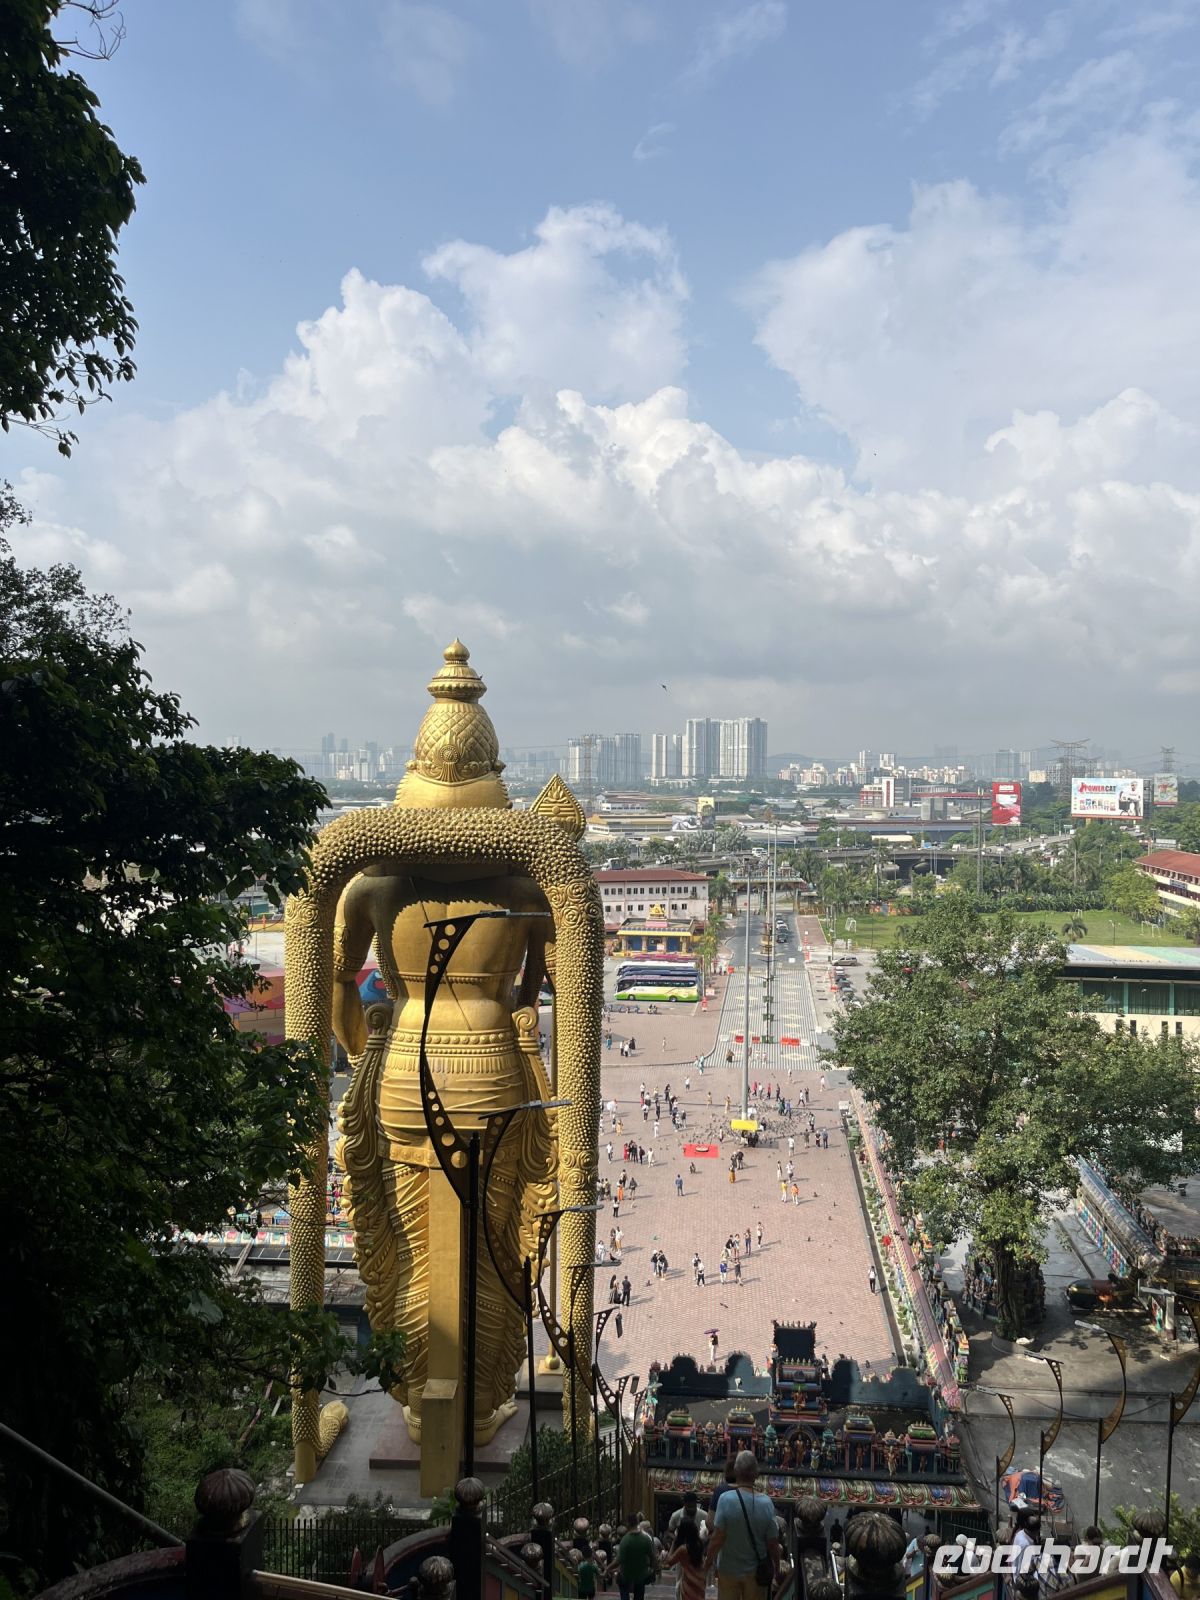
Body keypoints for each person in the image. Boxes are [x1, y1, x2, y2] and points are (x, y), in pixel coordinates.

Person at [704, 1450, 781, 1600]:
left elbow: (717, 1538)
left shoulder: (725, 1499)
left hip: (728, 1570)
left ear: (736, 1471)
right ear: (756, 1474)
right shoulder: (766, 1503)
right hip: (756, 1573)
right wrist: (777, 1568)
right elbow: (772, 1543)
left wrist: (707, 1564)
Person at [609, 1520, 657, 1600]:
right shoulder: (645, 1538)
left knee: (623, 1587)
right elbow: (652, 1556)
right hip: (640, 1572)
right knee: (639, 1592)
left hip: (626, 1573)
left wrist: (608, 1568)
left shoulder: (625, 1541)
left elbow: (619, 1560)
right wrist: (653, 1569)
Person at [665, 1516, 707, 1600]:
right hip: (700, 1582)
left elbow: (669, 1561)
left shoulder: (683, 1549)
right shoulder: (699, 1545)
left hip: (688, 1584)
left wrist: (674, 1543)